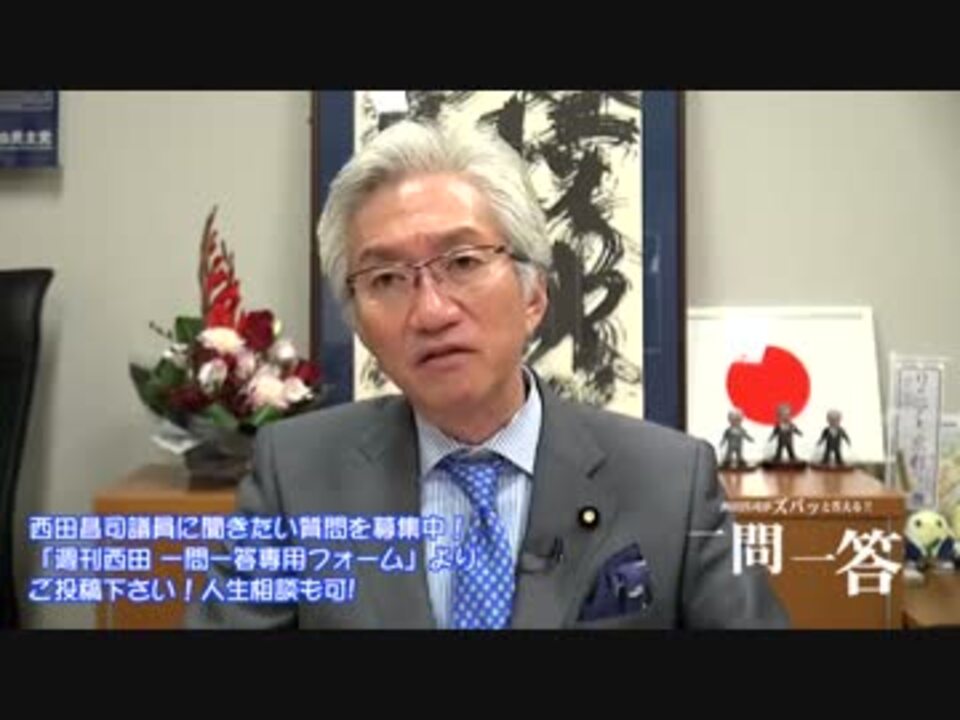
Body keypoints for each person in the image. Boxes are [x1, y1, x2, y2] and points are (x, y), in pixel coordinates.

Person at [185, 120, 788, 630]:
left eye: (464, 262)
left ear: (534, 295)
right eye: (386, 278)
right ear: (359, 324)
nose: (431, 312)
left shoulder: (671, 482)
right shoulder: (295, 477)